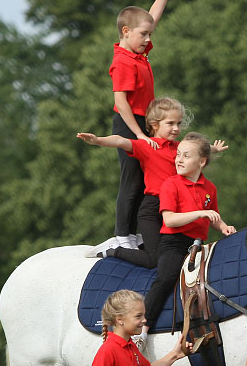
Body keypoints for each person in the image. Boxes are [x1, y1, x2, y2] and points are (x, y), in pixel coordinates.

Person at [77, 97, 228, 267]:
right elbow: (121, 141)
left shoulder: (179, 147)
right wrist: (97, 140)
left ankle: (143, 243)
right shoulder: (149, 146)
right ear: (155, 125)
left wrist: (212, 149)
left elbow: (196, 149)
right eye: (170, 123)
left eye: (179, 123)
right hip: (153, 208)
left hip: (175, 207)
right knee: (154, 261)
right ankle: (114, 250)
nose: (176, 128)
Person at [108, 0, 180, 251]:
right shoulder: (123, 60)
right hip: (129, 122)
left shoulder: (137, 52)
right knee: (132, 181)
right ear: (126, 32)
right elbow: (120, 101)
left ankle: (137, 233)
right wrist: (138, 134)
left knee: (148, 179)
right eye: (143, 35)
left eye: (149, 34)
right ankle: (122, 235)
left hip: (142, 123)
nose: (148, 39)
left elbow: (151, 16)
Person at [138, 133, 235, 346]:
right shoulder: (170, 184)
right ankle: (142, 329)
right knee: (165, 278)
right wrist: (200, 213)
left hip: (199, 246)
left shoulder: (210, 188)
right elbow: (170, 220)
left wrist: (224, 227)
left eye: (186, 156)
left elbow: (213, 217)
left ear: (201, 161)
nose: (179, 159)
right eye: (178, 155)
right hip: (174, 243)